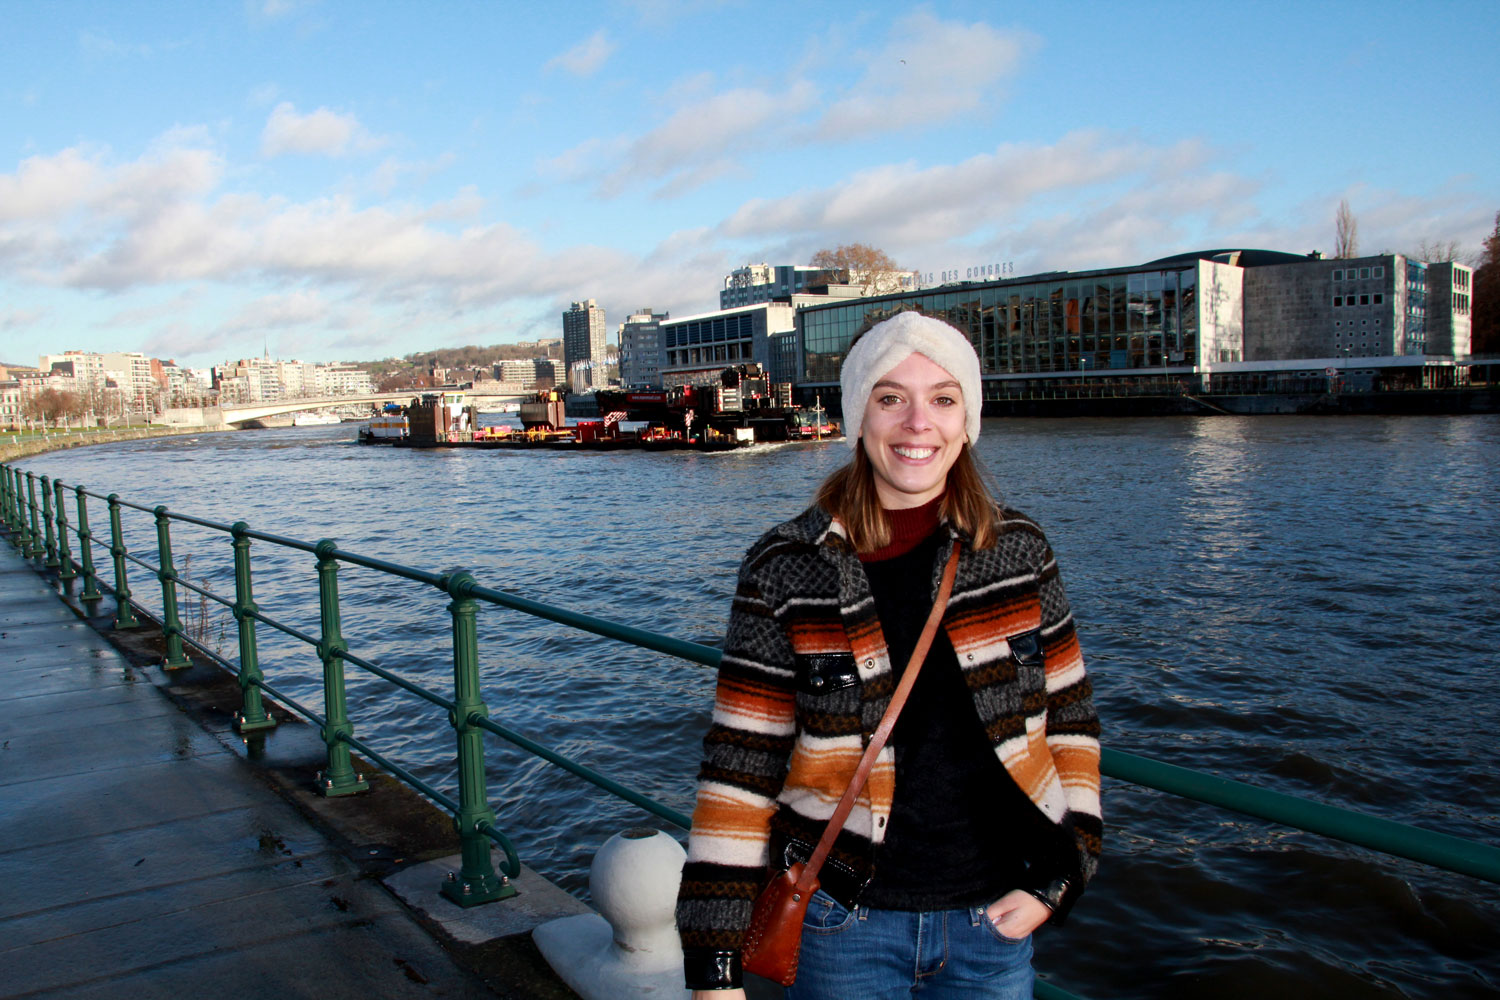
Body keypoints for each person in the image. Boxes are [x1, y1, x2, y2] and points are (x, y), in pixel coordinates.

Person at [675, 311, 1102, 999]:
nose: (917, 423)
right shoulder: (787, 568)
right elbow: (739, 766)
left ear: (968, 420)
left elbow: (1071, 720)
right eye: (890, 398)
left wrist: (1061, 874)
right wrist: (713, 964)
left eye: (942, 398)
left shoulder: (1019, 554)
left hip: (992, 923)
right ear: (858, 418)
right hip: (840, 925)